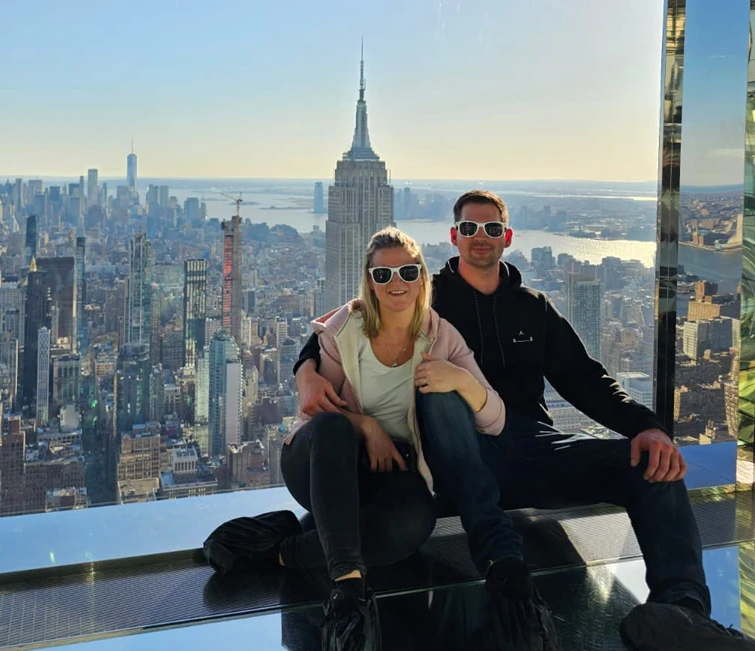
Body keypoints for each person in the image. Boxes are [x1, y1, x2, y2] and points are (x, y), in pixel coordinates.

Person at [294, 189, 755, 651]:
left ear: (507, 237)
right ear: (454, 236)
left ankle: (680, 615)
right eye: (469, 228)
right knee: (441, 397)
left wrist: (646, 426)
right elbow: (339, 330)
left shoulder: (534, 307)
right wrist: (306, 372)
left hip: (529, 448)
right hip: (453, 459)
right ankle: (495, 564)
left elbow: (584, 378)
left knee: (651, 464)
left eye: (492, 228)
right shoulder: (420, 296)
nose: (480, 237)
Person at [204, 227, 557, 651]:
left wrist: (461, 380)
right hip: (323, 461)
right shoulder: (346, 329)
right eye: (384, 275)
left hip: (388, 473)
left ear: (423, 278)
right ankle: (349, 591)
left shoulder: (442, 337)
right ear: (369, 281)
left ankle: (284, 549)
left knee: (415, 523)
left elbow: (495, 420)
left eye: (408, 272)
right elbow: (320, 412)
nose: (397, 284)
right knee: (336, 428)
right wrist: (366, 426)